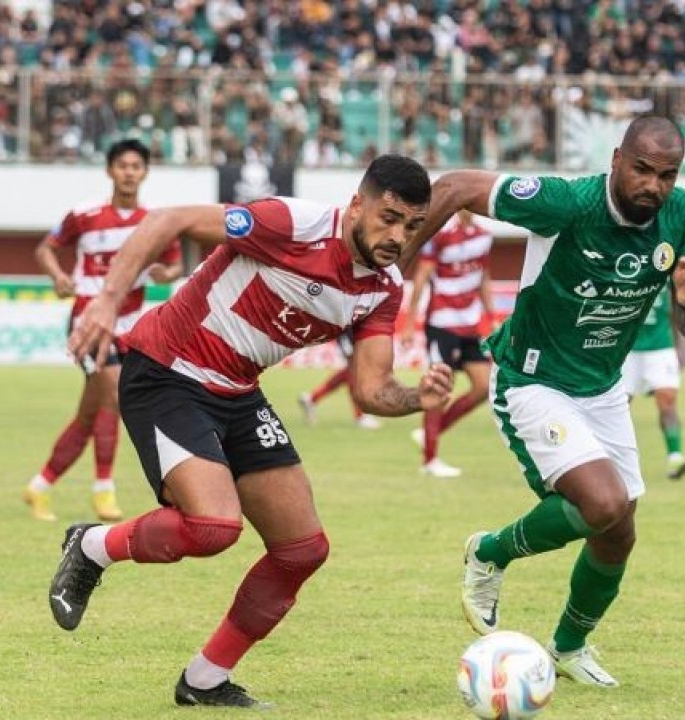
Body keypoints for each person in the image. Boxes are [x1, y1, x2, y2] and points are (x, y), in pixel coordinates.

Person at [52, 155, 454, 708]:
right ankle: (91, 544)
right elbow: (165, 221)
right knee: (213, 526)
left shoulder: (382, 289)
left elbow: (370, 388)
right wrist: (105, 302)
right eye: (388, 217)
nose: (398, 236)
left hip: (238, 391)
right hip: (168, 369)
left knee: (302, 550)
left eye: (412, 225)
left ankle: (205, 679)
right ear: (356, 203)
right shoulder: (293, 223)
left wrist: (417, 398)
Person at [416, 116, 685, 688]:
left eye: (667, 175)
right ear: (617, 158)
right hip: (532, 379)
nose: (654, 185)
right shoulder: (567, 203)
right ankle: (490, 552)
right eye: (643, 170)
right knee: (603, 503)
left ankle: (569, 647)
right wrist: (389, 259)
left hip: (602, 388)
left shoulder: (683, 214)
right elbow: (453, 187)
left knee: (619, 531)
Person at [22, 139, 182, 523]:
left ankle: (39, 487)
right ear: (110, 170)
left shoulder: (155, 221)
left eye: (136, 166)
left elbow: (175, 262)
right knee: (114, 397)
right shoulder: (85, 213)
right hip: (89, 321)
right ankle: (103, 489)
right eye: (122, 165)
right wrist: (59, 275)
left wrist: (168, 273)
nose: (129, 172)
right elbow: (46, 248)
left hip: (130, 327)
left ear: (145, 173)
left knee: (89, 416)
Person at [405, 209, 496, 478]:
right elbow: (421, 276)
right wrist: (410, 322)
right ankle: (429, 460)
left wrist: (490, 317)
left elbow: (484, 277)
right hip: (442, 323)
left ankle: (429, 433)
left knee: (484, 386)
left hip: (470, 325)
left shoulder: (484, 237)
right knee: (439, 388)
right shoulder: (441, 234)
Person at [621, 286, 685, 479]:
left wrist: (677, 348)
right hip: (627, 350)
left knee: (668, 403)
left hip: (661, 348)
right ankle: (614, 461)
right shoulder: (624, 269)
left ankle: (675, 458)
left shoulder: (665, 270)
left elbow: (674, 312)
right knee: (617, 407)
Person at [296, 332, 383, 430]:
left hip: (350, 330)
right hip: (346, 331)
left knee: (351, 371)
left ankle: (312, 398)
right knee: (355, 369)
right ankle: (360, 416)